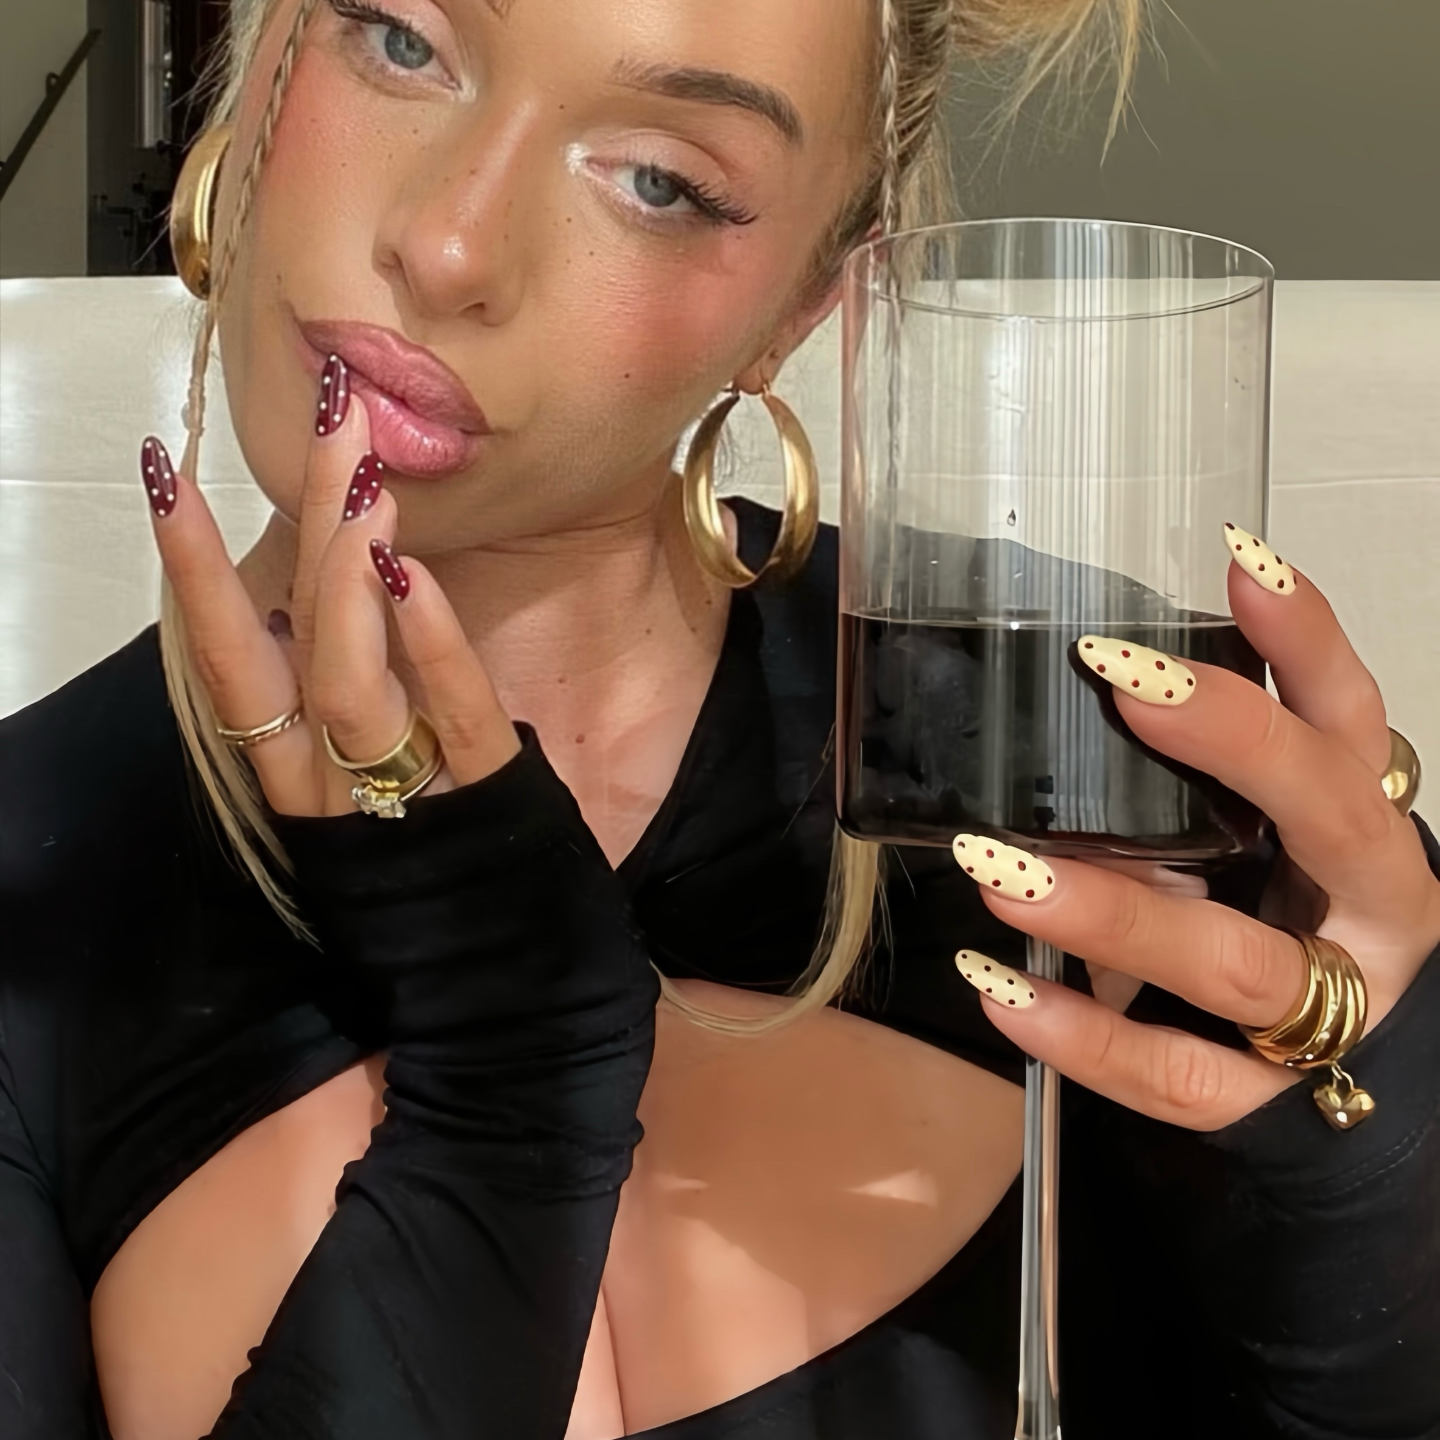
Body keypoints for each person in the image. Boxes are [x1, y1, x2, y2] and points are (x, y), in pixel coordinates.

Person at [2, 0, 1436, 1435]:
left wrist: (1362, 1177)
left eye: (661, 181)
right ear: (261, 68)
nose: (449, 246)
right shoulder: (27, 895)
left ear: (802, 306)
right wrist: (509, 1078)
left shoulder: (1071, 739)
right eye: (401, 40)